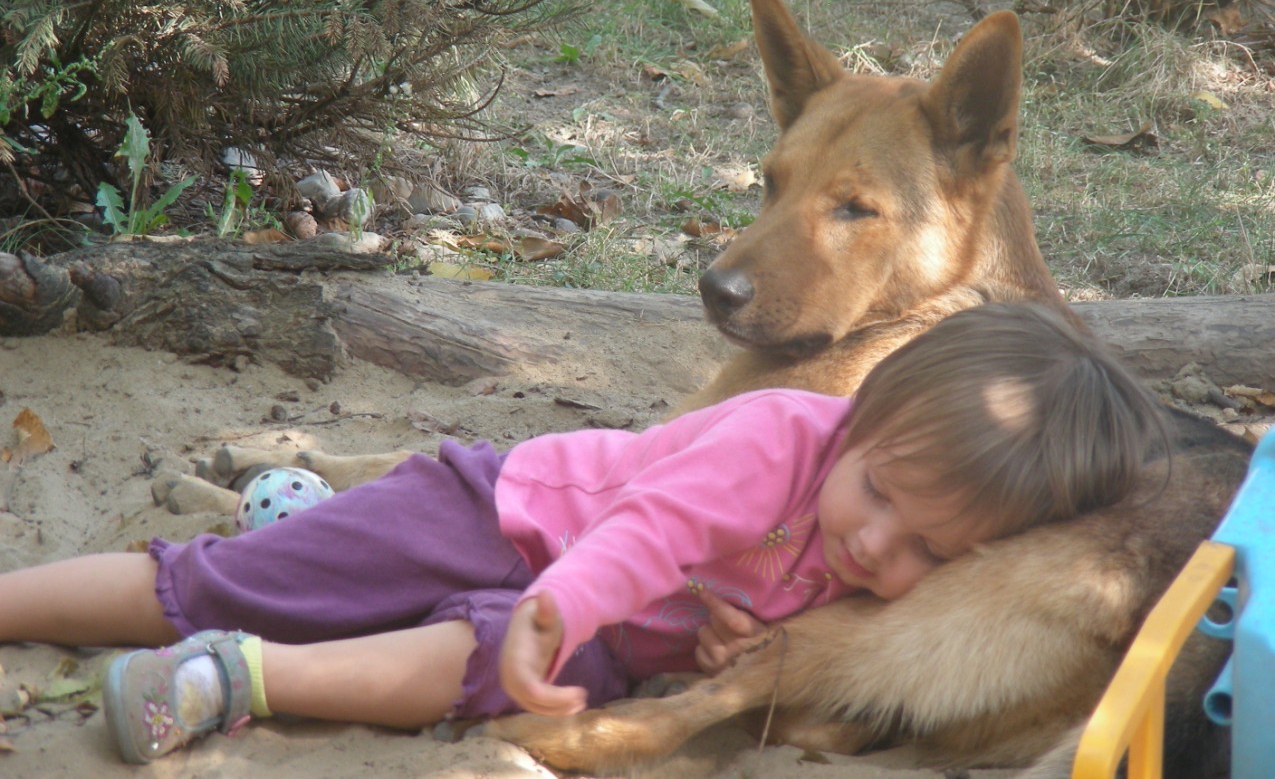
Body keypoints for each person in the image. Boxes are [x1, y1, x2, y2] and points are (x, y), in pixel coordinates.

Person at [0, 302, 1167, 764]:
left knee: (473, 669)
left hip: (600, 640)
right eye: (882, 496)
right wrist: (569, 598)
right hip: (504, 517)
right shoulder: (777, 439)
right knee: (238, 572)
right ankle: (32, 600)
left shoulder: (884, 534)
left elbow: (768, 621)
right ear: (861, 417)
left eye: (930, 549)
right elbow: (649, 529)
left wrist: (722, 650)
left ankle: (237, 677)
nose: (880, 549)